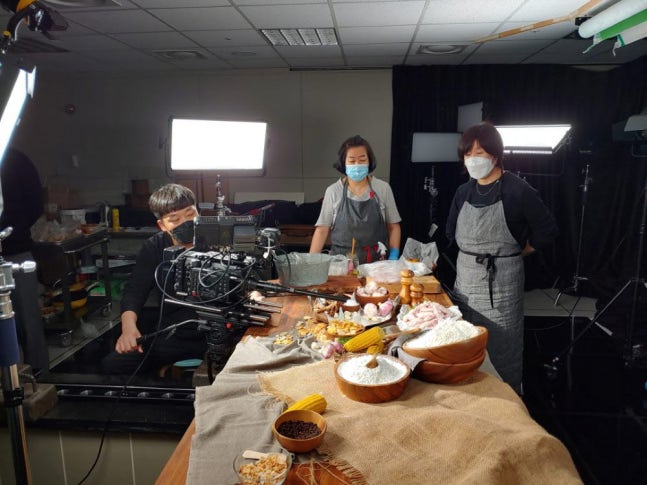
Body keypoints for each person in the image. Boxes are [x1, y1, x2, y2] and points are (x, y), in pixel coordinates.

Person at [445, 122, 558, 393]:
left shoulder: (518, 190)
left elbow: (547, 230)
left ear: (495, 155)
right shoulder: (463, 192)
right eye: (468, 154)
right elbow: (450, 231)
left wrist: (521, 250)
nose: (473, 159)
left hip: (502, 284)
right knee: (466, 341)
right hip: (466, 281)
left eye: (479, 153)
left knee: (502, 344)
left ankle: (507, 399)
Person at [101, 183, 207, 374]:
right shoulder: (154, 246)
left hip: (217, 333)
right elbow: (134, 291)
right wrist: (128, 329)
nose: (186, 223)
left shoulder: (218, 238)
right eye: (174, 219)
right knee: (114, 365)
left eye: (190, 215)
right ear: (162, 225)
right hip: (172, 333)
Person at [309, 135, 402, 264]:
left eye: (362, 160)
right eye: (352, 161)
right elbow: (322, 231)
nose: (357, 165)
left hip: (376, 265)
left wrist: (394, 256)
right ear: (344, 163)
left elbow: (393, 227)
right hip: (340, 265)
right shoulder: (333, 191)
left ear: (369, 161)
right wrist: (310, 263)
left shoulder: (383, 189)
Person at [0, 148, 49, 371]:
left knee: (27, 322)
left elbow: (35, 205)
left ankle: (39, 378)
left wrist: (13, 230)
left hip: (15, 252)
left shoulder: (14, 160)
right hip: (15, 245)